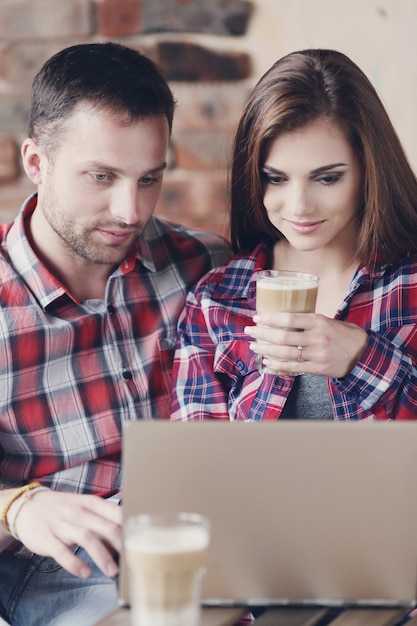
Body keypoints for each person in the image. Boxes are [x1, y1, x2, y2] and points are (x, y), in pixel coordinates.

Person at [0, 42, 231, 625]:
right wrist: (18, 507)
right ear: (36, 162)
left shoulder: (205, 266)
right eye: (101, 176)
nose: (130, 211)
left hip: (207, 536)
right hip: (60, 566)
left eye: (148, 178)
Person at [171, 48, 417, 422]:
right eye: (276, 178)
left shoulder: (410, 283)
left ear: (370, 171)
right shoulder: (216, 299)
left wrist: (361, 356)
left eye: (327, 178)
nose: (299, 206)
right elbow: (202, 463)